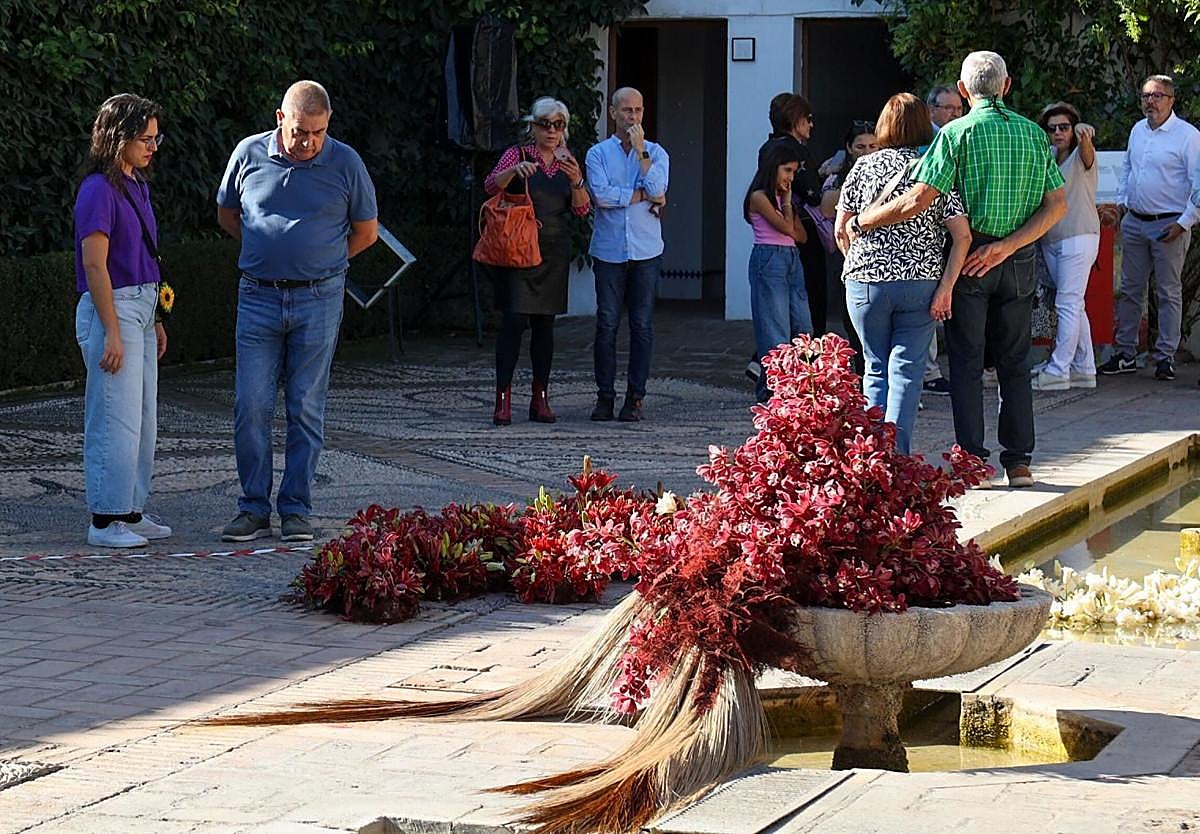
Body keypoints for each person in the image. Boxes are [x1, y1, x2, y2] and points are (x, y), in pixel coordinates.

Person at [850, 51, 1066, 488]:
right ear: (1006, 86)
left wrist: (863, 220)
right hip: (1019, 256)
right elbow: (1056, 206)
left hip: (967, 257)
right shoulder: (1034, 134)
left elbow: (920, 198)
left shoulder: (955, 134)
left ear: (964, 92)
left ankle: (975, 463)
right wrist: (1009, 246)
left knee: (966, 364)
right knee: (1015, 362)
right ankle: (1019, 463)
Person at [216, 80, 378, 542]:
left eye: (319, 132)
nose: (309, 142)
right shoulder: (248, 154)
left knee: (305, 406)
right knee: (251, 404)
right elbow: (228, 215)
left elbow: (366, 232)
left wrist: (325, 262)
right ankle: (251, 507)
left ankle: (295, 509)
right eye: (301, 132)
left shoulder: (345, 162)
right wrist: (267, 251)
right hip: (258, 297)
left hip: (319, 298)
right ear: (279, 118)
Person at [835, 94, 970, 454]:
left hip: (867, 283)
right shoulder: (935, 168)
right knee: (907, 374)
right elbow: (962, 235)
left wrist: (859, 264)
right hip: (920, 283)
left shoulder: (862, 167)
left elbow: (840, 229)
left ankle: (871, 457)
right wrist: (947, 286)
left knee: (874, 367)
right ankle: (897, 456)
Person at [73, 93, 171, 548]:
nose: (153, 146)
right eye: (144, 138)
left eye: (155, 138)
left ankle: (130, 511)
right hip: (113, 307)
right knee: (115, 416)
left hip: (140, 308)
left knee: (142, 418)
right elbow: (95, 265)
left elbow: (142, 257)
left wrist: (154, 320)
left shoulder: (136, 185)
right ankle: (104, 519)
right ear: (118, 138)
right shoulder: (98, 189)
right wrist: (112, 329)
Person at [483, 97, 591, 425]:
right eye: (545, 124)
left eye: (558, 125)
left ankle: (540, 397)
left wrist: (576, 181)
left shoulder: (567, 161)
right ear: (533, 126)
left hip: (552, 251)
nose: (552, 131)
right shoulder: (517, 154)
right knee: (514, 322)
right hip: (518, 248)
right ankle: (503, 398)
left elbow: (583, 210)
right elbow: (490, 186)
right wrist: (513, 172)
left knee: (545, 326)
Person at [1099, 74, 1200, 382]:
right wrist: (1121, 204)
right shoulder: (1137, 130)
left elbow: (1199, 185)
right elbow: (1128, 168)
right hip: (1135, 222)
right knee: (1130, 290)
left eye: (1157, 96)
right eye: (1146, 96)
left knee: (1168, 292)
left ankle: (1165, 358)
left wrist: (1183, 224)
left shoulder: (1188, 135)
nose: (1150, 102)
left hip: (1170, 223)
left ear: (1171, 100)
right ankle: (1126, 353)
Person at [586, 87, 669, 423]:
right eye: (626, 111)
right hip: (609, 251)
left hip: (646, 250)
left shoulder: (656, 152)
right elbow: (602, 197)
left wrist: (640, 154)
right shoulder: (598, 154)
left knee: (642, 325)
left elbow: (659, 190)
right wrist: (642, 196)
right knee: (606, 323)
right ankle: (605, 396)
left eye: (637, 111)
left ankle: (635, 397)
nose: (632, 117)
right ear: (612, 113)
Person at [1032, 102, 1100, 391]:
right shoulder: (1047, 156)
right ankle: (1084, 368)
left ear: (1073, 129)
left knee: (1067, 304)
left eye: (1064, 127)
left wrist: (1085, 136)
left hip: (1079, 236)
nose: (1058, 132)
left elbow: (1087, 154)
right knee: (1074, 304)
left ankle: (1059, 371)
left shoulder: (1081, 153)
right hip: (1053, 239)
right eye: (1053, 128)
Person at [744, 140, 812, 403]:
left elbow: (800, 235)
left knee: (802, 326)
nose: (790, 178)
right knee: (775, 330)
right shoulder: (759, 197)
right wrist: (785, 203)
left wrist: (788, 207)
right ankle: (771, 393)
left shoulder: (785, 201)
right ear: (773, 168)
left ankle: (795, 389)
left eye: (794, 172)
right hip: (769, 258)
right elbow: (786, 229)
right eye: (787, 170)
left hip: (791, 259)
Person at [758, 94, 828, 334]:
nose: (811, 125)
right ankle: (809, 361)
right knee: (809, 300)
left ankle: (766, 361)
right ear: (796, 120)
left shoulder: (767, 148)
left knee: (775, 312)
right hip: (800, 231)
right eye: (808, 119)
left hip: (770, 236)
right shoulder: (794, 150)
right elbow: (814, 195)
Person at [820, 120, 879, 377]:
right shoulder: (839, 176)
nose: (867, 152)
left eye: (873, 146)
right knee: (854, 324)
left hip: (883, 259)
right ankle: (865, 380)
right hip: (849, 258)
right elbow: (825, 206)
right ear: (849, 148)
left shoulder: (891, 172)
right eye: (861, 146)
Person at [922, 83, 965, 396]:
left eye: (959, 108)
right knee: (929, 300)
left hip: (956, 225)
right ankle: (928, 370)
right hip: (930, 233)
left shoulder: (961, 136)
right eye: (949, 108)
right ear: (932, 110)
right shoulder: (926, 140)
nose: (955, 113)